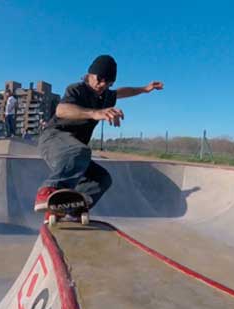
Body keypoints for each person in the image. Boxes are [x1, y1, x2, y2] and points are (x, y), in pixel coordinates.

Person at [33, 54, 163, 216]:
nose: (102, 85)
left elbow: (122, 92)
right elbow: (62, 110)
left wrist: (144, 89)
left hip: (74, 152)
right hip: (53, 139)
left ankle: (66, 208)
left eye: (108, 83)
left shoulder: (106, 95)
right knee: (80, 150)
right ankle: (47, 191)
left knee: (101, 178)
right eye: (100, 79)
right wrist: (94, 113)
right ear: (89, 74)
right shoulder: (77, 89)